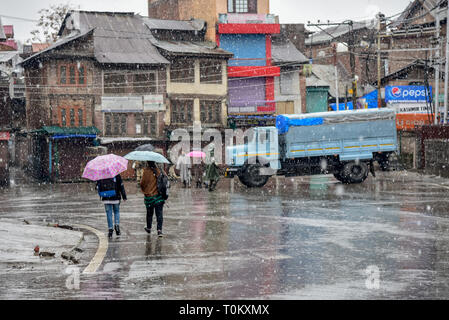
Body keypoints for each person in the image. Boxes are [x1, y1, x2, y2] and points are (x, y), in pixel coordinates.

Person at [96, 174, 127, 238]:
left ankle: (110, 229)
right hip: (115, 196)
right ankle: (117, 226)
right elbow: (121, 185)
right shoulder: (116, 173)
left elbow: (97, 187)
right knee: (116, 212)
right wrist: (124, 196)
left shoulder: (101, 174)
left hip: (106, 197)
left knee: (109, 213)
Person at [140, 161, 165, 237]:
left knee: (149, 213)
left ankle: (149, 227)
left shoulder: (145, 172)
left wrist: (145, 190)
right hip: (158, 197)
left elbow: (142, 184)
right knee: (159, 214)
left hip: (149, 197)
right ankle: (159, 230)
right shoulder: (158, 170)